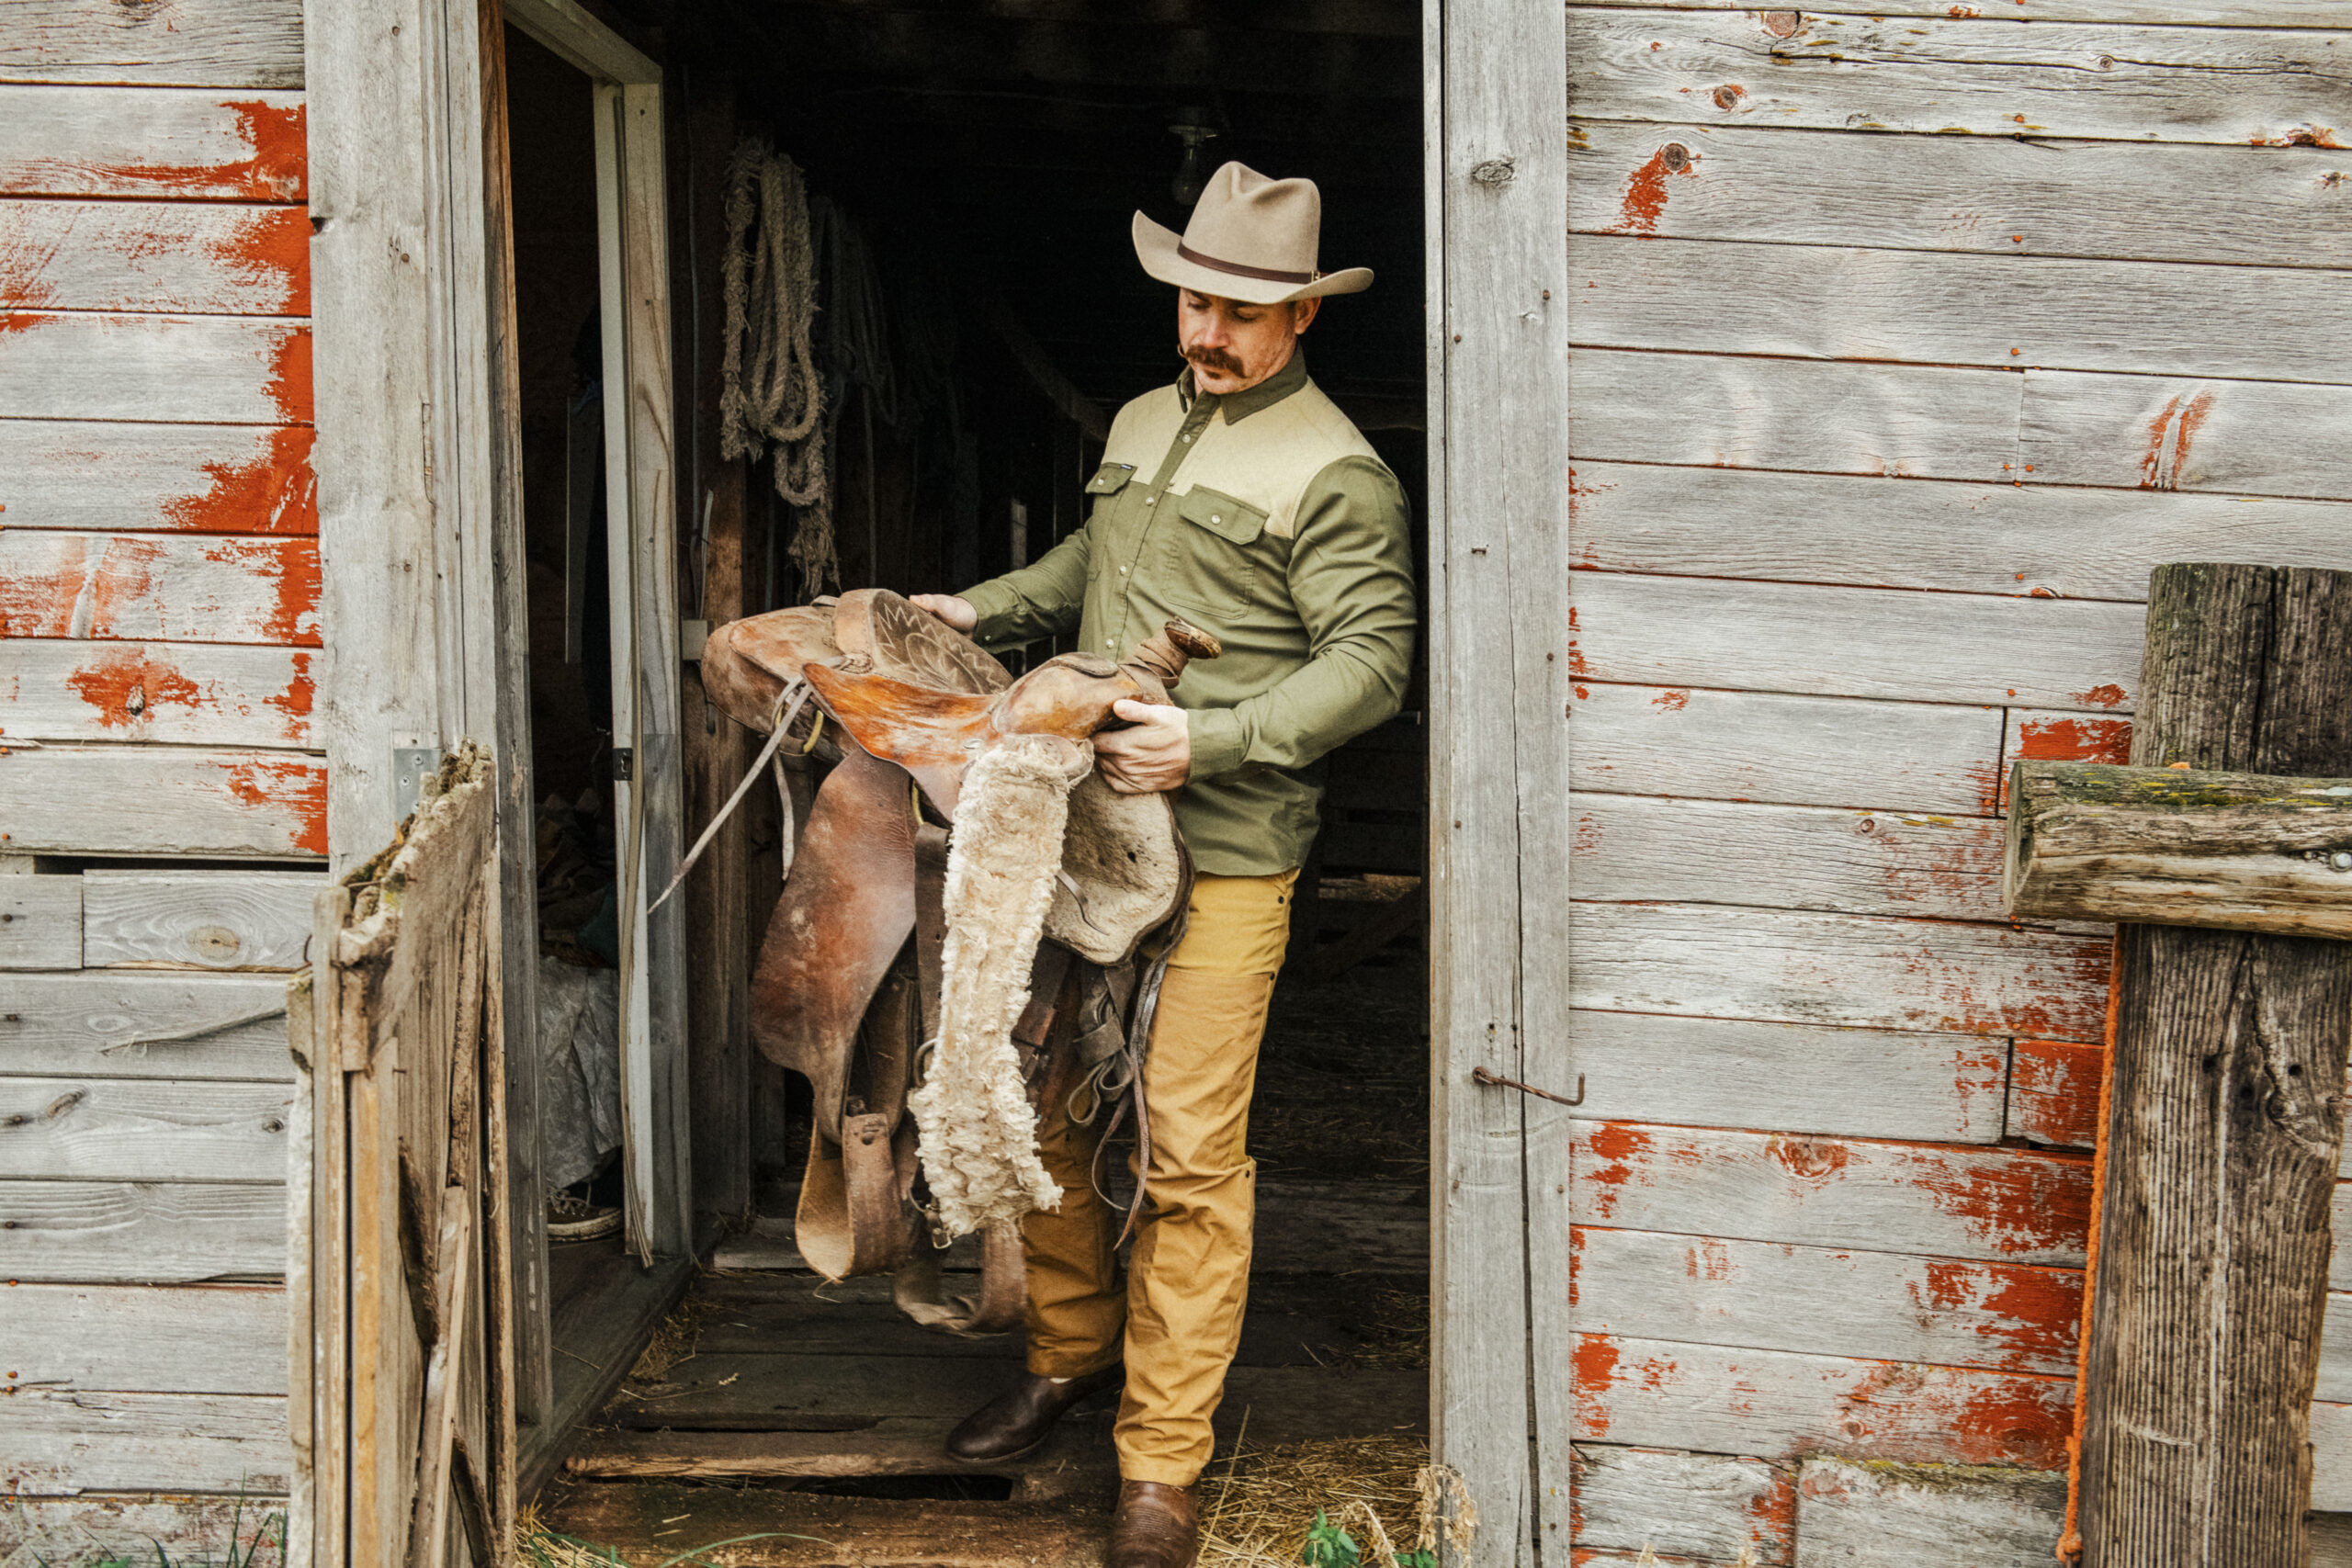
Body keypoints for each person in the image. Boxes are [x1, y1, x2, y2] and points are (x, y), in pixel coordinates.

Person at [911, 162, 1417, 1568]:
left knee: (1189, 1154)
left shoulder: (1339, 474)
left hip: (1230, 852)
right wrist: (977, 605)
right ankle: (1067, 1358)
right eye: (1197, 297)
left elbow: (1375, 666)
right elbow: (1091, 563)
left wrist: (1215, 740)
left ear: (1303, 315)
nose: (1210, 330)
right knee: (1059, 1113)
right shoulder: (1146, 416)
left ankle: (1161, 1467)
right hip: (1078, 837)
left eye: (1244, 311)